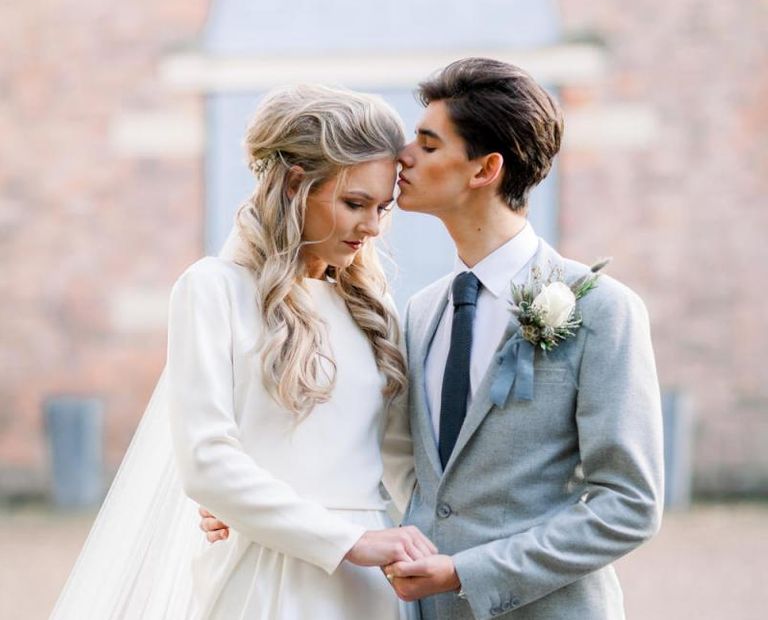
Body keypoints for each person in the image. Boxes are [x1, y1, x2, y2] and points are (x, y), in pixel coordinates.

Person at [203, 58, 664, 620]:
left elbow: (629, 504)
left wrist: (470, 573)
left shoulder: (601, 310)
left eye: (426, 143)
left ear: (483, 169)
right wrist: (260, 503)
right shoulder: (418, 314)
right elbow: (384, 453)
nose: (403, 157)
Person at [51, 84, 435, 620]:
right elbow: (207, 462)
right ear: (296, 184)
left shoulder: (376, 308)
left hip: (370, 586)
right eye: (354, 204)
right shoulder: (212, 289)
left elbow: (403, 462)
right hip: (267, 579)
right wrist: (347, 540)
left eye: (382, 208)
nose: (371, 227)